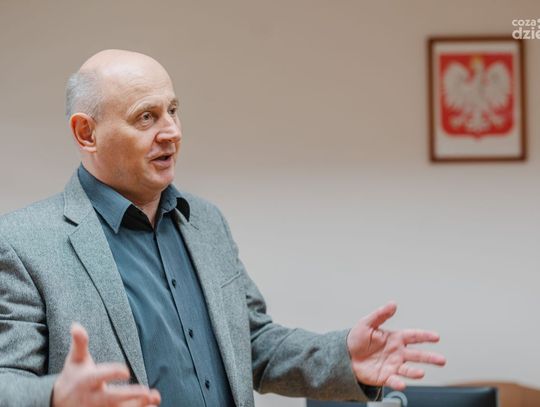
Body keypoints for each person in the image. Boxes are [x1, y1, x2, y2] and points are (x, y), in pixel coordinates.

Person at [0, 49, 446, 407]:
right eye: (145, 117)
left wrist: (341, 357)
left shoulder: (205, 221)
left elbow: (251, 342)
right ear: (86, 133)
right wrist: (55, 396)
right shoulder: (24, 244)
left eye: (172, 110)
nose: (171, 132)